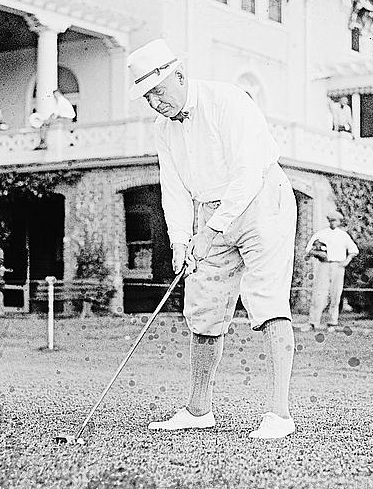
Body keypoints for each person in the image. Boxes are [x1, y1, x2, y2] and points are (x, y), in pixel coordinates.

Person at [127, 38, 299, 440]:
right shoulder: (163, 128)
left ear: (180, 76)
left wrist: (209, 232)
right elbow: (173, 189)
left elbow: (248, 174)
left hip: (262, 201)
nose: (154, 102)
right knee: (203, 308)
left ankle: (279, 415)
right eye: (147, 96)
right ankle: (199, 409)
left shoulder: (229, 102)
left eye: (158, 91)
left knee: (267, 301)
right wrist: (180, 241)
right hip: (209, 209)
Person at [305, 210, 359, 331]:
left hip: (338, 266)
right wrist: (318, 253)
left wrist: (346, 261)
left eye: (335, 220)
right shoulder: (321, 234)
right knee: (319, 294)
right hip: (323, 265)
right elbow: (308, 249)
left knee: (335, 294)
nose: (333, 222)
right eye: (331, 219)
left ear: (339, 222)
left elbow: (354, 250)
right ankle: (313, 322)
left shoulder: (343, 235)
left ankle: (332, 322)